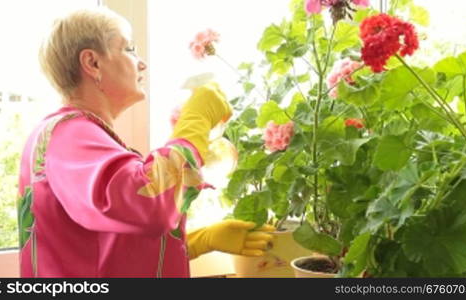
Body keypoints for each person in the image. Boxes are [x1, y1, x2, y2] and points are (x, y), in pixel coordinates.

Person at [17, 7, 274, 278]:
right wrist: (195, 120)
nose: (142, 63)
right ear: (93, 63)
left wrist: (200, 241)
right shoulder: (69, 135)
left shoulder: (74, 136)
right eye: (129, 49)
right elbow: (148, 204)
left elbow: (109, 243)